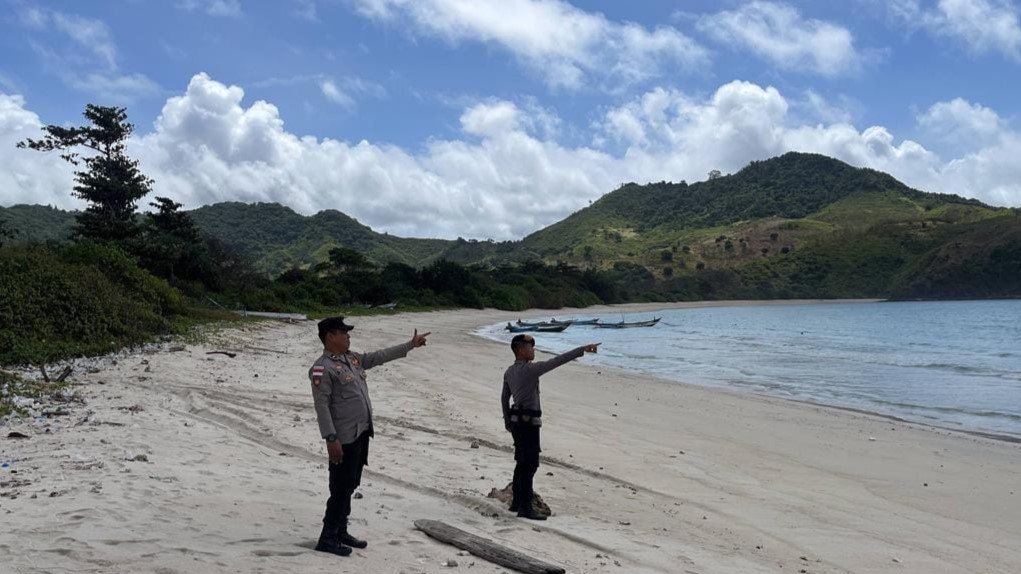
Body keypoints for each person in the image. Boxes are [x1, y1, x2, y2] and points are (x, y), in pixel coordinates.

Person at [308, 316, 430, 556]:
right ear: (330, 336)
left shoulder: (352, 359)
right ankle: (327, 537)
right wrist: (330, 438)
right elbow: (321, 406)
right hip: (342, 437)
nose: (348, 336)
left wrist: (410, 345)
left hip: (361, 432)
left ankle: (341, 531)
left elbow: (380, 356)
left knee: (351, 484)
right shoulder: (323, 368)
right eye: (344, 333)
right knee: (340, 488)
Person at [501, 334, 599, 520]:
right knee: (530, 464)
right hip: (528, 424)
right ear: (521, 350)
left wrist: (507, 421)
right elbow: (558, 361)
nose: (533, 350)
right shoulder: (530, 370)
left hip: (516, 422)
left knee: (521, 462)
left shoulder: (509, 371)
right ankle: (525, 507)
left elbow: (504, 398)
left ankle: (516, 503)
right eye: (531, 347)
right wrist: (582, 349)